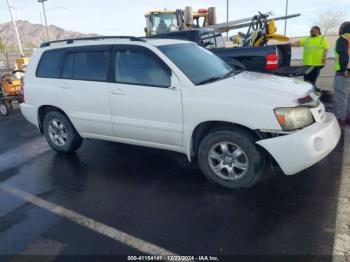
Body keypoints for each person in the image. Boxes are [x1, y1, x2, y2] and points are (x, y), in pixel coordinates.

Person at [292, 26, 329, 91]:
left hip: (316, 65)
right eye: (310, 31)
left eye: (312, 31)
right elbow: (298, 43)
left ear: (317, 30)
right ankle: (308, 93)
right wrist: (289, 44)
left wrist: (324, 57)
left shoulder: (322, 39)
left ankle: (312, 94)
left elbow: (326, 49)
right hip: (307, 64)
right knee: (306, 81)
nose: (310, 32)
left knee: (313, 81)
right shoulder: (307, 39)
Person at [334, 22, 350, 128]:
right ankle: (348, 118)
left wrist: (344, 69)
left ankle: (340, 120)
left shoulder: (343, 39)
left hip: (344, 72)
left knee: (341, 96)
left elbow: (343, 54)